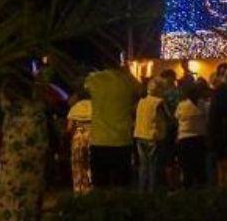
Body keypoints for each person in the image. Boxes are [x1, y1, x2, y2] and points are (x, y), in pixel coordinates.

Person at [0, 79, 49, 221]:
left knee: (7, 208)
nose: (1, 101)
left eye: (2, 97)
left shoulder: (15, 117)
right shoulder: (37, 115)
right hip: (30, 177)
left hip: (13, 175)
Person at [84, 60, 141, 188]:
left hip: (99, 140)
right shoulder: (127, 81)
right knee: (121, 185)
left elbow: (81, 87)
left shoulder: (94, 79)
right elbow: (141, 90)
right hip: (122, 140)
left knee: (100, 185)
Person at [133, 79, 169, 192]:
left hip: (139, 135)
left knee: (143, 166)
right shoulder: (159, 102)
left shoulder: (141, 101)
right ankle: (151, 192)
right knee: (153, 166)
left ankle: (141, 191)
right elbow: (169, 116)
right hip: (153, 136)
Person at [175, 81, 208, 187]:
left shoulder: (181, 105)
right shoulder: (203, 104)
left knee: (186, 166)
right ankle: (200, 187)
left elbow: (176, 118)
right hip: (199, 138)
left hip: (184, 139)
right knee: (199, 166)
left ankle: (187, 187)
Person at [65, 95, 92, 193]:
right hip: (92, 137)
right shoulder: (95, 106)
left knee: (77, 164)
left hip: (78, 138)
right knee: (90, 165)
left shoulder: (74, 108)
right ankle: (90, 189)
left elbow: (69, 128)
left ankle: (78, 190)